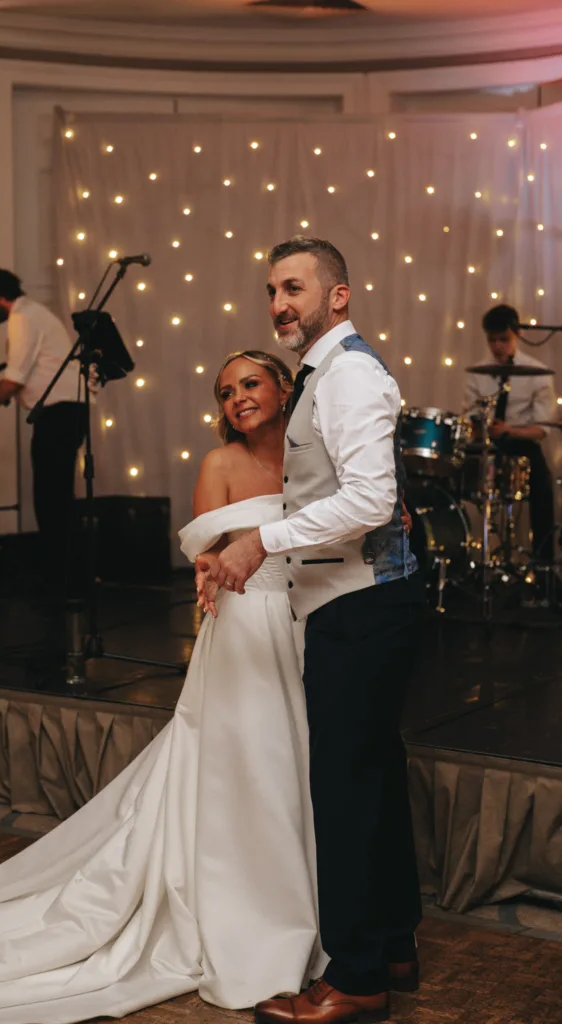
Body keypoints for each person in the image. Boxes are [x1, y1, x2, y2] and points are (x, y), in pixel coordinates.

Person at [0, 351, 329, 1024]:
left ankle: (308, 901)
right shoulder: (220, 464)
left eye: (251, 383)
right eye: (226, 390)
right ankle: (255, 917)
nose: (237, 397)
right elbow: (206, 555)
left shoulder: (314, 460)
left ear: (285, 387)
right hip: (245, 630)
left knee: (302, 770)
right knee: (251, 773)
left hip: (307, 626)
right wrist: (212, 582)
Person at [201, 236, 424, 1024]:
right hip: (355, 601)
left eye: (293, 287)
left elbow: (369, 500)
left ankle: (358, 977)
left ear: (339, 296)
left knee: (345, 788)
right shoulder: (321, 375)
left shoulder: (351, 372)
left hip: (360, 604)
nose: (278, 304)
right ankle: (394, 942)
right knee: (373, 777)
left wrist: (262, 539)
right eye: (271, 290)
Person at [0, 268, 86, 590]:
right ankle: (66, 577)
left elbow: (17, 377)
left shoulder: (22, 317)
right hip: (64, 412)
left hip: (59, 414)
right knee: (56, 495)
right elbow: (32, 374)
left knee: (50, 498)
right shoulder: (35, 314)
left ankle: (61, 579)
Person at [463, 303, 556, 566]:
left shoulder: (537, 373)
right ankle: (461, 554)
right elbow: (469, 414)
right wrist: (481, 428)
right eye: (492, 340)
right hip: (488, 445)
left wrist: (510, 430)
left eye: (503, 339)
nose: (497, 346)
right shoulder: (478, 372)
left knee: (543, 485)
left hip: (521, 444)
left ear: (516, 334)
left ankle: (543, 566)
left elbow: (542, 429)